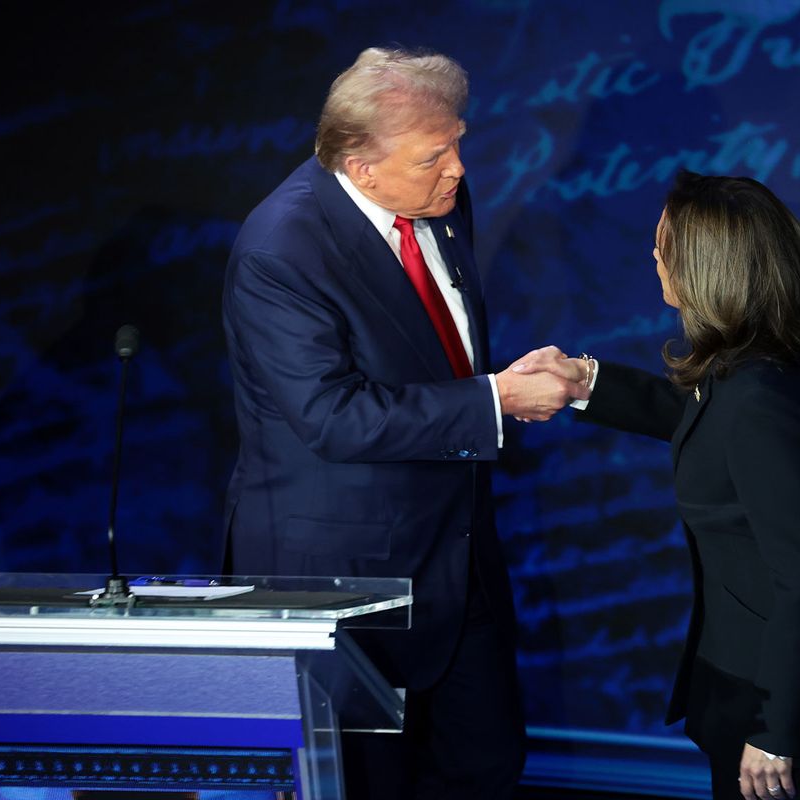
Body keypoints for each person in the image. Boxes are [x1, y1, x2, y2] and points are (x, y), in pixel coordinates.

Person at [222, 47, 585, 799]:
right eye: (435, 155)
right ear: (361, 169)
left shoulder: (439, 201)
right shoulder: (281, 248)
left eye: (457, 143)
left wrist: (502, 384)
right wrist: (498, 400)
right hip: (347, 582)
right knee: (371, 786)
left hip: (459, 557)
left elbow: (430, 350)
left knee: (483, 769)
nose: (457, 167)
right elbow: (331, 415)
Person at [516, 172, 800, 800]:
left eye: (664, 243)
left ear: (707, 267)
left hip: (787, 702)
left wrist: (776, 731)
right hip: (757, 672)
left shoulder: (760, 395)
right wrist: (585, 382)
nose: (652, 255)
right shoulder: (763, 356)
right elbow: (706, 421)